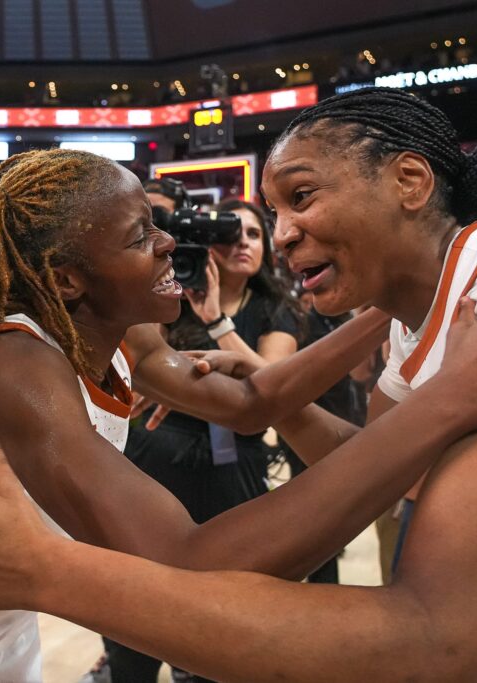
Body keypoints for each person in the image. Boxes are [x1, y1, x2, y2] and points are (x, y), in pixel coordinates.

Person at [0, 89, 477, 682]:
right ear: (69, 279)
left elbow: (260, 403)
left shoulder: (128, 345)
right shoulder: (14, 365)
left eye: (301, 197)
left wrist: (396, 300)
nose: (172, 243)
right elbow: (188, 557)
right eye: (139, 235)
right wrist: (454, 393)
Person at [100, 198, 301, 683]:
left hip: (235, 471)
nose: (243, 244)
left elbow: (273, 387)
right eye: (232, 235)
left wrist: (217, 325)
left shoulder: (276, 309)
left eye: (254, 234)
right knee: (135, 618)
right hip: (153, 458)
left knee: (223, 621)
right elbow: (136, 362)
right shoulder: (167, 295)